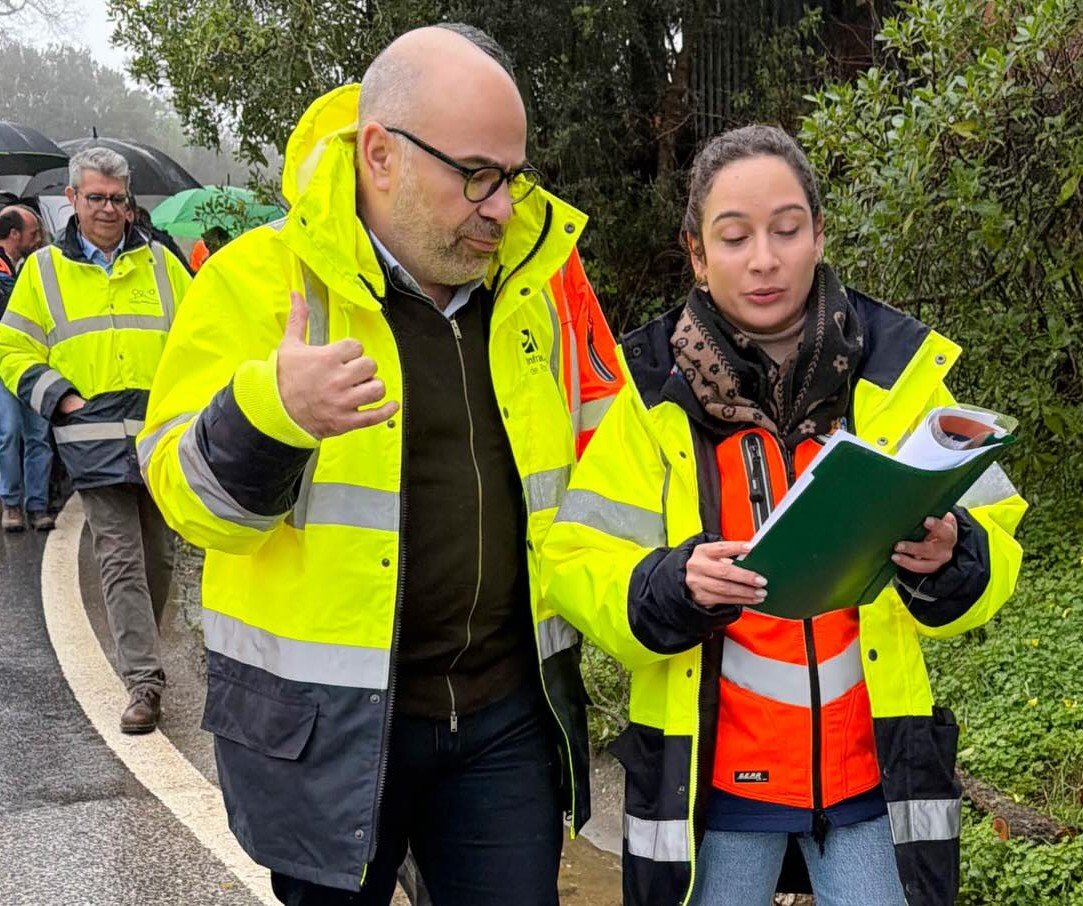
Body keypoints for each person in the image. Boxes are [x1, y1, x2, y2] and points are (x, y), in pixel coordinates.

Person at [138, 24, 610, 906]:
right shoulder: (253, 282)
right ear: (381, 155)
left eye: (514, 177)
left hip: (507, 718)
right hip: (324, 727)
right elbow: (187, 503)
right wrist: (270, 415)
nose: (503, 208)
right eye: (476, 174)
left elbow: (606, 466)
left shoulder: (534, 290)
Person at [541, 125, 1027, 906]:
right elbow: (573, 562)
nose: (763, 259)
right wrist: (672, 582)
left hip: (869, 774)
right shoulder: (648, 396)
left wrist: (954, 553)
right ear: (697, 254)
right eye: (734, 237)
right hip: (711, 784)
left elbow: (995, 536)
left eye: (786, 229)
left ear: (818, 235)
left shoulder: (898, 374)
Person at [0, 147, 192, 732]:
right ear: (73, 200)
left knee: (160, 557)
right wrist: (60, 398)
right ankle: (143, 681)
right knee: (120, 557)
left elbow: (199, 336)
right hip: (92, 438)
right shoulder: (43, 271)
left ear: (128, 203)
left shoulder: (162, 264)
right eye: (95, 198)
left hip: (159, 438)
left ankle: (140, 651)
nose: (107, 208)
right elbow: (12, 348)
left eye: (116, 198)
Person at [0, 204, 54, 532]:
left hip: (37, 362)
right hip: (6, 363)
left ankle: (37, 504)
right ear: (14, 234)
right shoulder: (7, 271)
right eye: (32, 233)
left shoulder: (33, 266)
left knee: (38, 435)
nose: (37, 239)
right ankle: (11, 503)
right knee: (9, 433)